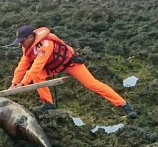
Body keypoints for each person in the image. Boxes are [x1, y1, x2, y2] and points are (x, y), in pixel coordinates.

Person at [10, 25, 138, 119]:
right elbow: (22, 65)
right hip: (53, 66)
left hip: (70, 63)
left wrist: (24, 83)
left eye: (22, 41)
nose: (21, 44)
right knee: (38, 75)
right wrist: (15, 83)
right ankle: (48, 104)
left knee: (92, 84)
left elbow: (36, 67)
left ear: (31, 37)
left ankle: (124, 105)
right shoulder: (27, 47)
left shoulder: (46, 44)